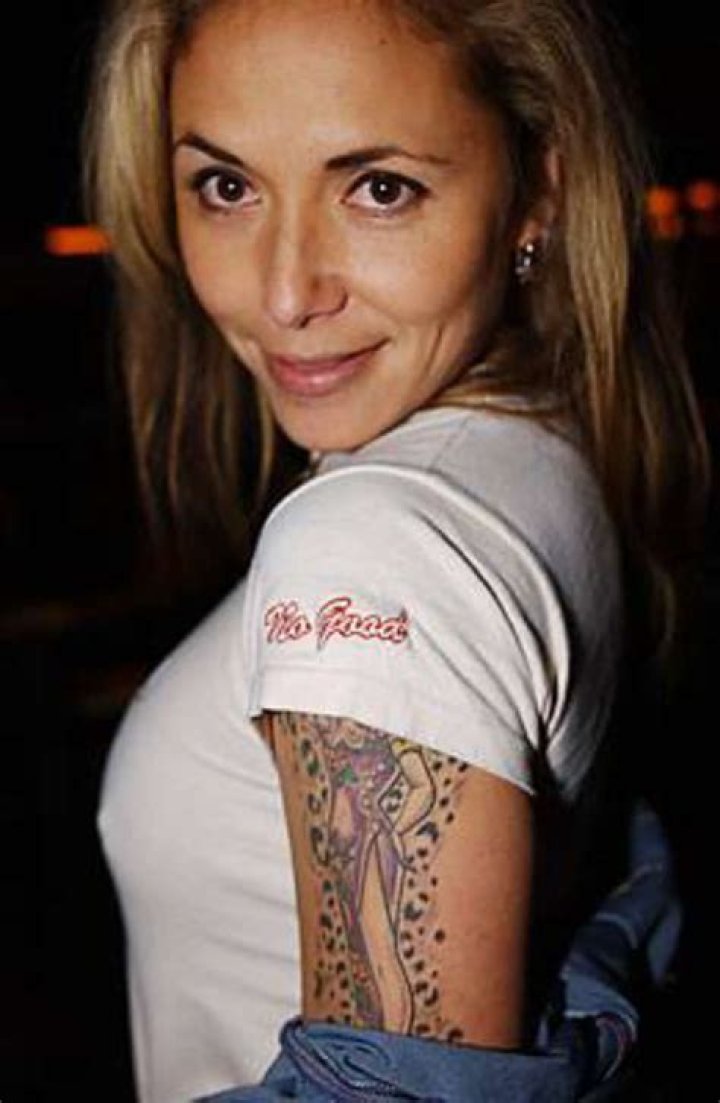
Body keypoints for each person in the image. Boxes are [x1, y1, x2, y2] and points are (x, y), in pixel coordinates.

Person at [84, 0, 708, 1100]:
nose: (286, 292)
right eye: (226, 186)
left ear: (538, 191)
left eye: (379, 188)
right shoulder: (535, 442)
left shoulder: (371, 546)